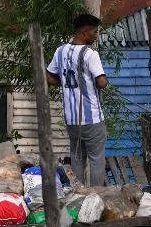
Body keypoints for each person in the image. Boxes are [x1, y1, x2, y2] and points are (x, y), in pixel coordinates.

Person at [46, 13, 108, 187]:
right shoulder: (90, 54)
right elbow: (101, 82)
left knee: (77, 159)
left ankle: (78, 196)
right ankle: (96, 196)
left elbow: (49, 76)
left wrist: (63, 82)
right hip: (92, 119)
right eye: (94, 32)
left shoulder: (60, 51)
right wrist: (104, 81)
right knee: (96, 160)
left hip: (71, 120)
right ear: (85, 32)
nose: (96, 36)